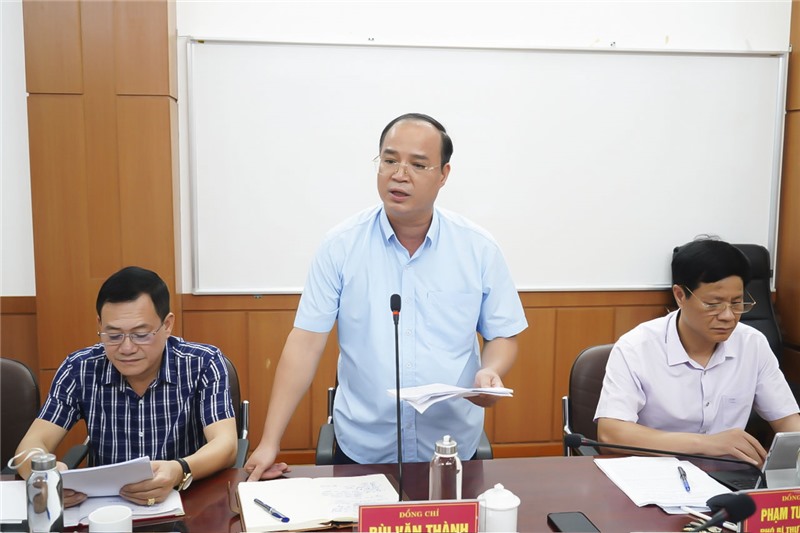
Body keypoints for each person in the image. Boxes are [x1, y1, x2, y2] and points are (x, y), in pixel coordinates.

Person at [245, 113, 527, 480]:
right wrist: (270, 441)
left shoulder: (478, 248)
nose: (399, 174)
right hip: (363, 448)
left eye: (418, 164)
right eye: (390, 160)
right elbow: (305, 344)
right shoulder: (340, 246)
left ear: (444, 174)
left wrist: (490, 371)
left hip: (451, 446)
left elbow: (503, 333)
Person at [15, 266, 238, 507]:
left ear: (167, 325)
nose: (127, 348)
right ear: (100, 324)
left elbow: (225, 444)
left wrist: (180, 469)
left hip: (185, 500)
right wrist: (43, 475)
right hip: (104, 508)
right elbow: (29, 446)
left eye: (141, 334)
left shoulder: (203, 363)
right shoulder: (79, 368)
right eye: (113, 335)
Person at [595, 237, 800, 466]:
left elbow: (788, 423)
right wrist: (707, 444)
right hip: (655, 473)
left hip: (727, 476)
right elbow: (610, 433)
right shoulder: (636, 348)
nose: (728, 316)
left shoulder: (752, 344)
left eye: (736, 303)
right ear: (680, 296)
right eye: (713, 304)